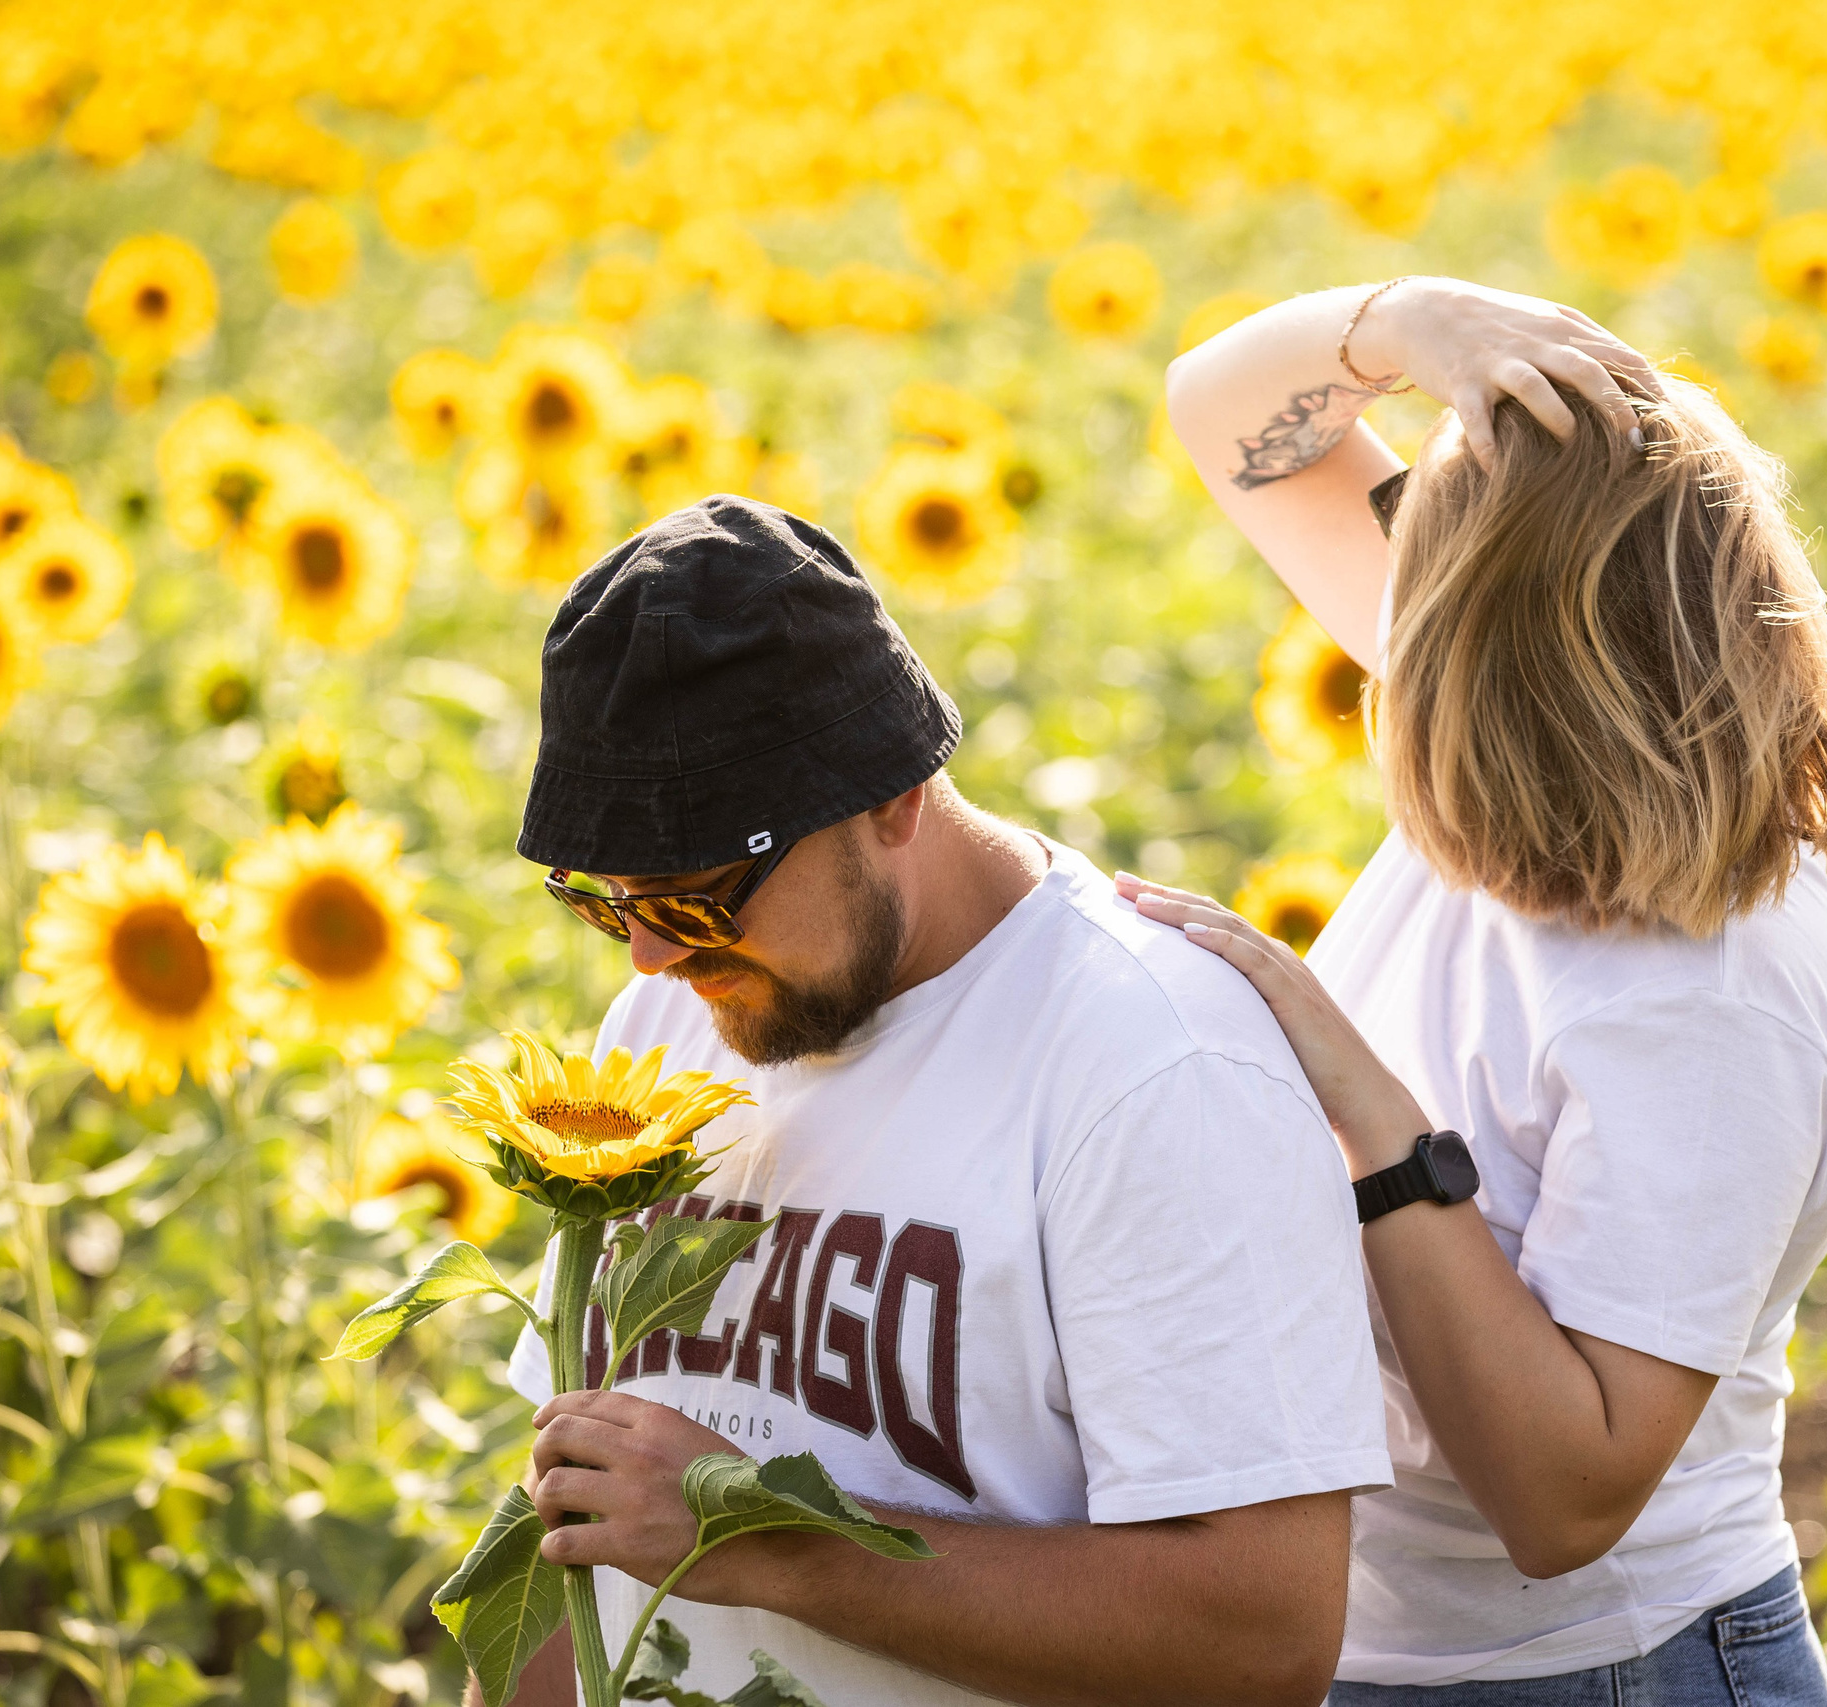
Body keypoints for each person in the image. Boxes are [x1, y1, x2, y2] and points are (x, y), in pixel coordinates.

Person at [481, 496, 1393, 1707]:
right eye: (607, 900)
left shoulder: (1155, 1068)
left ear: (892, 797)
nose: (648, 956)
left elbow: (1262, 1636)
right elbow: (575, 1494)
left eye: (696, 901)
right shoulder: (680, 1009)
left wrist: (764, 1543)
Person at [1118, 278, 1827, 1703]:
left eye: (1418, 534)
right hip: (1389, 1640)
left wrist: (1364, 1114)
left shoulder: (1712, 994)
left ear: (1501, 637)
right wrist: (1416, 325)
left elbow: (1566, 1498)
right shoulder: (1538, 769)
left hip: (1603, 1667)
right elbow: (1223, 411)